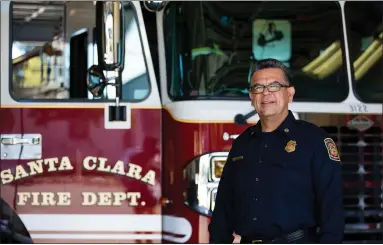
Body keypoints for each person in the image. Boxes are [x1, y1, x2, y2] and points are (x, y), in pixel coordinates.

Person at [208, 58, 344, 244]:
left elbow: (332, 213)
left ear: (290, 93)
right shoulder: (241, 144)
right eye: (258, 88)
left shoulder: (315, 140)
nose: (266, 94)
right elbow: (223, 207)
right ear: (251, 97)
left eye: (274, 86)